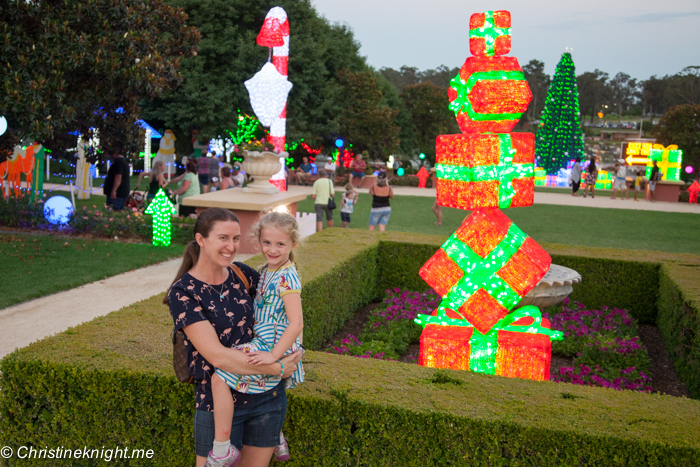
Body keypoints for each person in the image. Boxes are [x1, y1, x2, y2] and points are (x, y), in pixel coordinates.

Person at [166, 208, 302, 467]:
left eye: (236, 238)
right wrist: (277, 366)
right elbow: (217, 355)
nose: (231, 246)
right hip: (218, 405)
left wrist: (294, 349)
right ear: (201, 239)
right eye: (223, 238)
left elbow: (280, 312)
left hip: (266, 398)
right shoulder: (184, 293)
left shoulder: (242, 274)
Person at [210, 211, 304, 467]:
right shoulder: (268, 270)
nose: (272, 249)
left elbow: (297, 322)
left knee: (220, 377)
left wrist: (274, 356)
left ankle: (221, 449)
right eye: (267, 243)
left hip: (271, 344)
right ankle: (275, 437)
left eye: (280, 244)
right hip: (265, 339)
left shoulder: (287, 276)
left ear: (293, 244)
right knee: (261, 386)